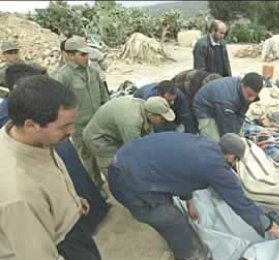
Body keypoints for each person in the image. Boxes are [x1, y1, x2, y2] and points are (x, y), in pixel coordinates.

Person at [108, 132, 279, 260]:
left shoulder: (203, 144)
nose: (234, 164)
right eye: (235, 160)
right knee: (175, 222)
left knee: (167, 213)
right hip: (129, 183)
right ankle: (188, 256)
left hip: (126, 161)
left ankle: (175, 241)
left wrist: (189, 200)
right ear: (230, 156)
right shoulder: (215, 166)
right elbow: (241, 203)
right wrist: (273, 228)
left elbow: (180, 171)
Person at [0, 75, 101, 259]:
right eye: (64, 126)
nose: (72, 131)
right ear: (31, 125)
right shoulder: (19, 194)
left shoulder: (31, 138)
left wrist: (71, 200)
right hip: (62, 246)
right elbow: (37, 254)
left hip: (71, 227)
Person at [55, 36, 109, 187]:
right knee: (87, 160)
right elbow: (59, 105)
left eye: (87, 54)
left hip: (99, 123)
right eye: (82, 55)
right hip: (80, 126)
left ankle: (112, 185)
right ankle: (97, 189)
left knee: (104, 155)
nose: (87, 57)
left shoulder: (93, 71)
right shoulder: (63, 76)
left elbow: (104, 95)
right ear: (71, 56)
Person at [83, 96, 175, 177]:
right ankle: (116, 190)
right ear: (151, 115)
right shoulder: (132, 122)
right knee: (113, 167)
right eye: (162, 118)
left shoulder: (144, 106)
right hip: (99, 138)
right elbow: (134, 151)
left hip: (115, 132)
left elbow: (148, 139)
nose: (164, 121)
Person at [192, 72, 263, 141]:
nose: (251, 99)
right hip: (205, 109)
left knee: (238, 136)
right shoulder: (226, 100)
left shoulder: (245, 91)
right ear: (242, 85)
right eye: (249, 95)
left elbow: (240, 115)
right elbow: (226, 129)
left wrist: (237, 133)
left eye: (255, 96)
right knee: (216, 144)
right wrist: (232, 141)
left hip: (222, 106)